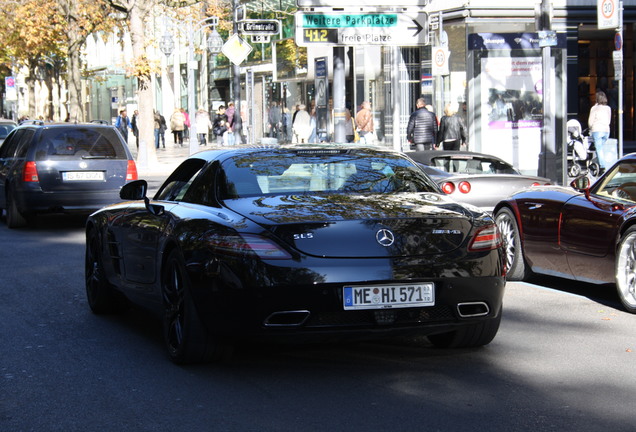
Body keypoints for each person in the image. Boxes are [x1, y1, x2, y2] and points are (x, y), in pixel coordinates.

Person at [588, 90, 612, 171]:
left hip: (597, 130)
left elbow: (590, 122)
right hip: (606, 130)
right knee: (600, 149)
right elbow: (609, 120)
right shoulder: (608, 108)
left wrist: (590, 127)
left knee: (598, 149)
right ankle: (598, 163)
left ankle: (602, 167)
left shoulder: (594, 108)